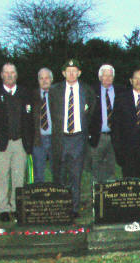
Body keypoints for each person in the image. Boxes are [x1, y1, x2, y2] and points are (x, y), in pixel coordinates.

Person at [0, 63, 34, 222]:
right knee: (1, 177)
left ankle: (16, 206)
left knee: (19, 177)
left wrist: (29, 143)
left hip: (20, 142)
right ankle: (3, 209)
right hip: (0, 143)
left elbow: (30, 119)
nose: (9, 75)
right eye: (6, 72)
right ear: (1, 75)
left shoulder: (25, 93)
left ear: (16, 75)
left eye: (12, 72)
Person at [48, 59, 96, 218]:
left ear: (79, 73)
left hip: (77, 138)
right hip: (60, 137)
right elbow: (52, 111)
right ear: (63, 73)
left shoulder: (87, 90)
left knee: (76, 175)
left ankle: (74, 208)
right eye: (68, 71)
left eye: (74, 70)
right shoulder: (54, 90)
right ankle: (61, 205)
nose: (71, 73)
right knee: (60, 174)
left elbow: (91, 111)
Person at [112, 69, 140, 179]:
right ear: (131, 81)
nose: (139, 81)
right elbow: (116, 126)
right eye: (136, 78)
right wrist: (118, 151)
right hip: (127, 152)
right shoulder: (121, 98)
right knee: (129, 187)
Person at [88, 64, 123, 183]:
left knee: (111, 168)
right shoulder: (91, 91)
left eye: (110, 75)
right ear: (99, 77)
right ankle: (96, 197)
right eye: (105, 75)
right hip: (98, 136)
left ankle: (109, 198)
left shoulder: (121, 91)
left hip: (115, 136)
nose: (107, 78)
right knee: (95, 167)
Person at [32, 68, 53, 183]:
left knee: (58, 173)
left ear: (51, 79)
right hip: (38, 139)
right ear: (38, 80)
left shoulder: (58, 95)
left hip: (55, 139)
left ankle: (58, 199)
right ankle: (39, 199)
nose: (44, 80)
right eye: (41, 78)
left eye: (47, 78)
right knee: (38, 174)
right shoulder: (32, 96)